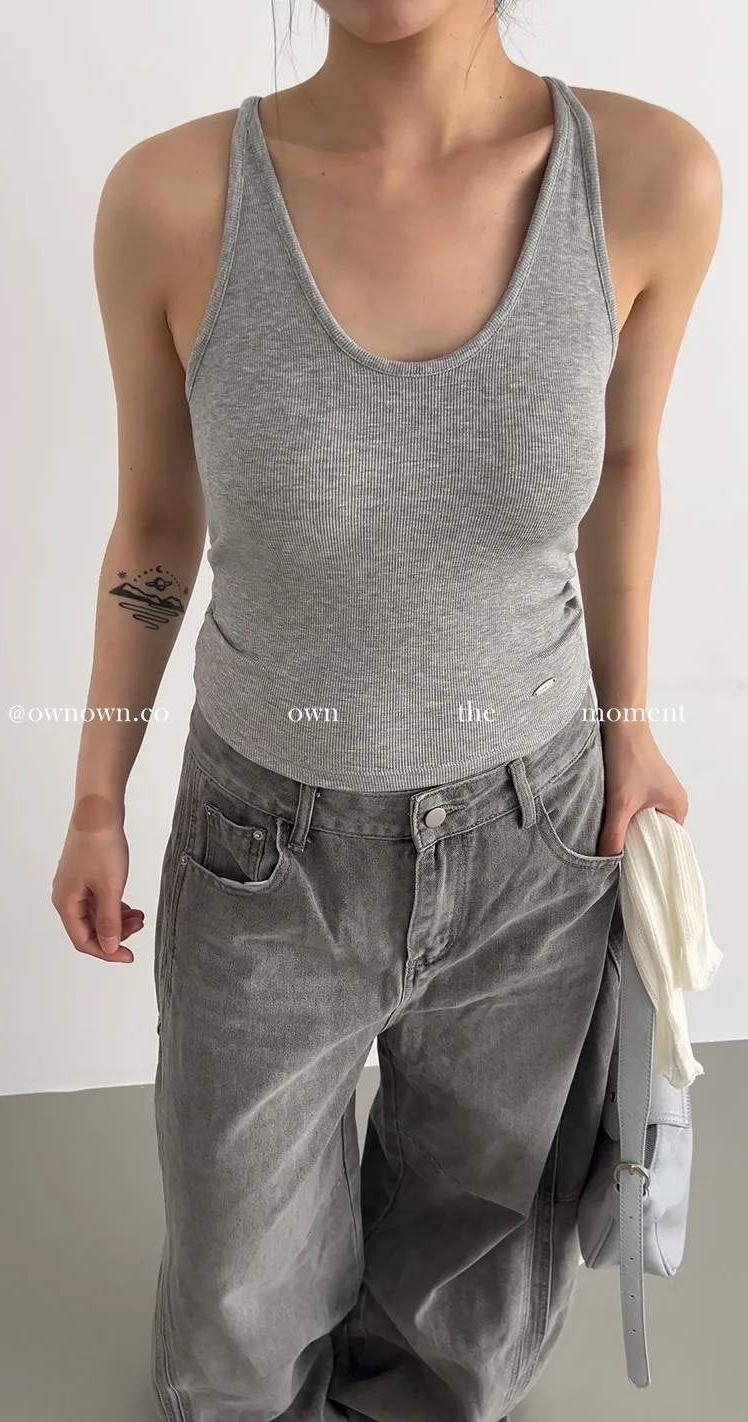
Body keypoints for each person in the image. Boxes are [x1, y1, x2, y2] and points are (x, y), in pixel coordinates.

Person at [50, 2, 722, 1419]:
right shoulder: (173, 199)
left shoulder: (650, 179)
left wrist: (631, 723)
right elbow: (156, 520)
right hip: (264, 844)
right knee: (237, 1325)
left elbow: (626, 466)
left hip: (537, 835)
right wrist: (95, 792)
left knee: (473, 1291)